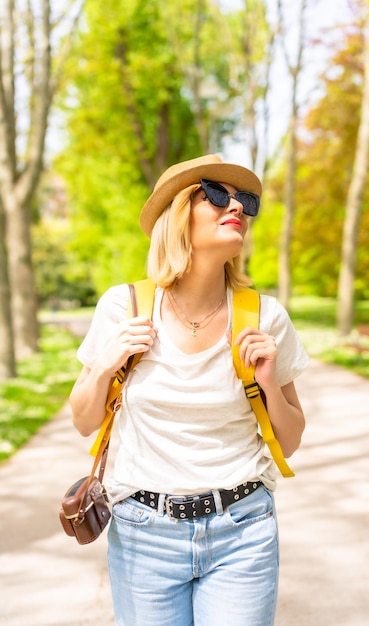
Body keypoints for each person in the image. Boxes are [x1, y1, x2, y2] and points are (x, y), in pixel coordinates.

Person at [69, 154, 309, 626]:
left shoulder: (265, 316)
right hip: (144, 532)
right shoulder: (126, 306)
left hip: (242, 529)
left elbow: (292, 440)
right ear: (177, 216)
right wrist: (104, 364)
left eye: (246, 201)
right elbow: (82, 421)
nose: (236, 206)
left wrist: (268, 383)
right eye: (216, 195)